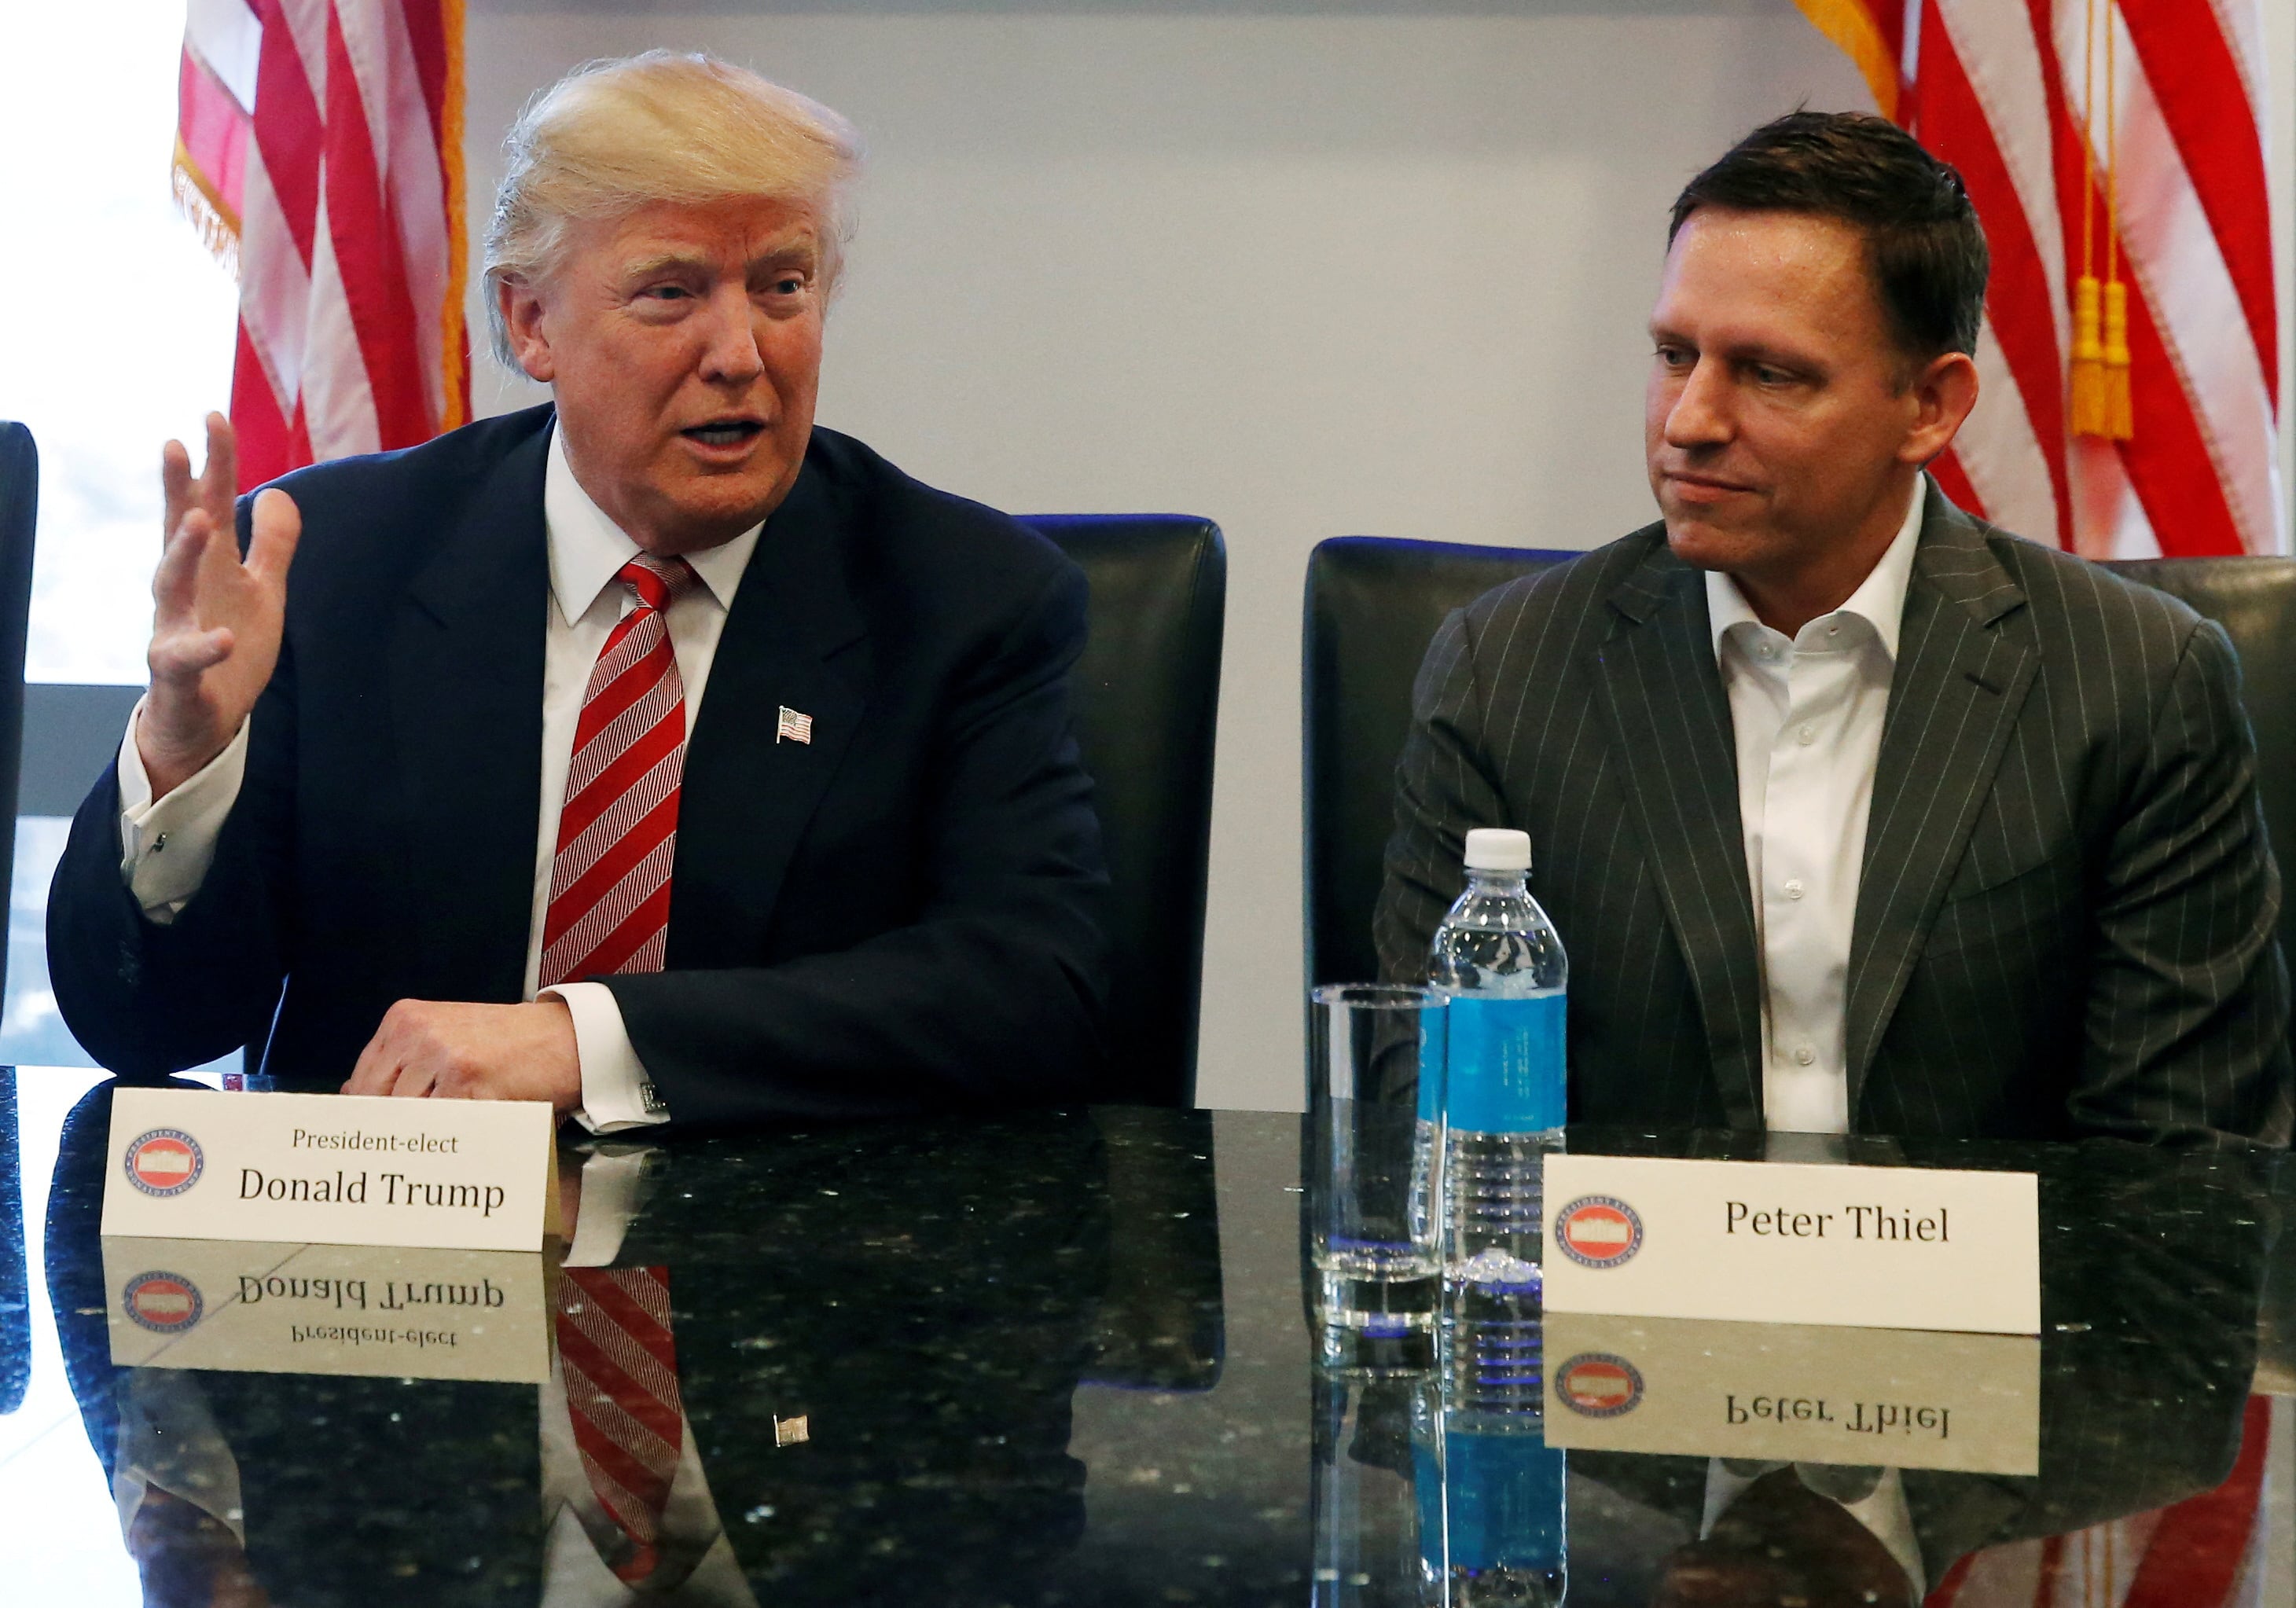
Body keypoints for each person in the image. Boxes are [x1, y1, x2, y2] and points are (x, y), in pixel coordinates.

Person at [48, 52, 1110, 1130]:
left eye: (782, 286)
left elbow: (1035, 987)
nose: (741, 353)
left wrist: (584, 1039)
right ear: (530, 325)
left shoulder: (962, 596)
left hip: (781, 1257)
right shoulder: (333, 565)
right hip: (383, 1269)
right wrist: (183, 762)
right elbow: (148, 1028)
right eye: (671, 293)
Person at [1376, 110, 2290, 1144]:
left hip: (1997, 1305)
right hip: (1623, 1294)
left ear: (1929, 407)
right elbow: (1437, 1131)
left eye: (1770, 373)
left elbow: (2181, 1173)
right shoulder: (1504, 674)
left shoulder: (2135, 682)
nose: (1689, 421)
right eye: (1675, 354)